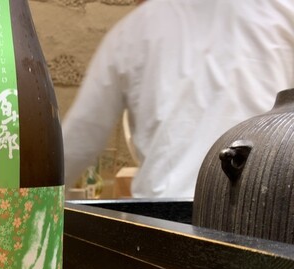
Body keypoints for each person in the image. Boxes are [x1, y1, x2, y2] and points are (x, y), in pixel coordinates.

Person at [62, 0, 294, 198]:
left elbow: (77, 142)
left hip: (165, 214)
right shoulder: (282, 10)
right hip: (261, 208)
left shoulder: (134, 30)